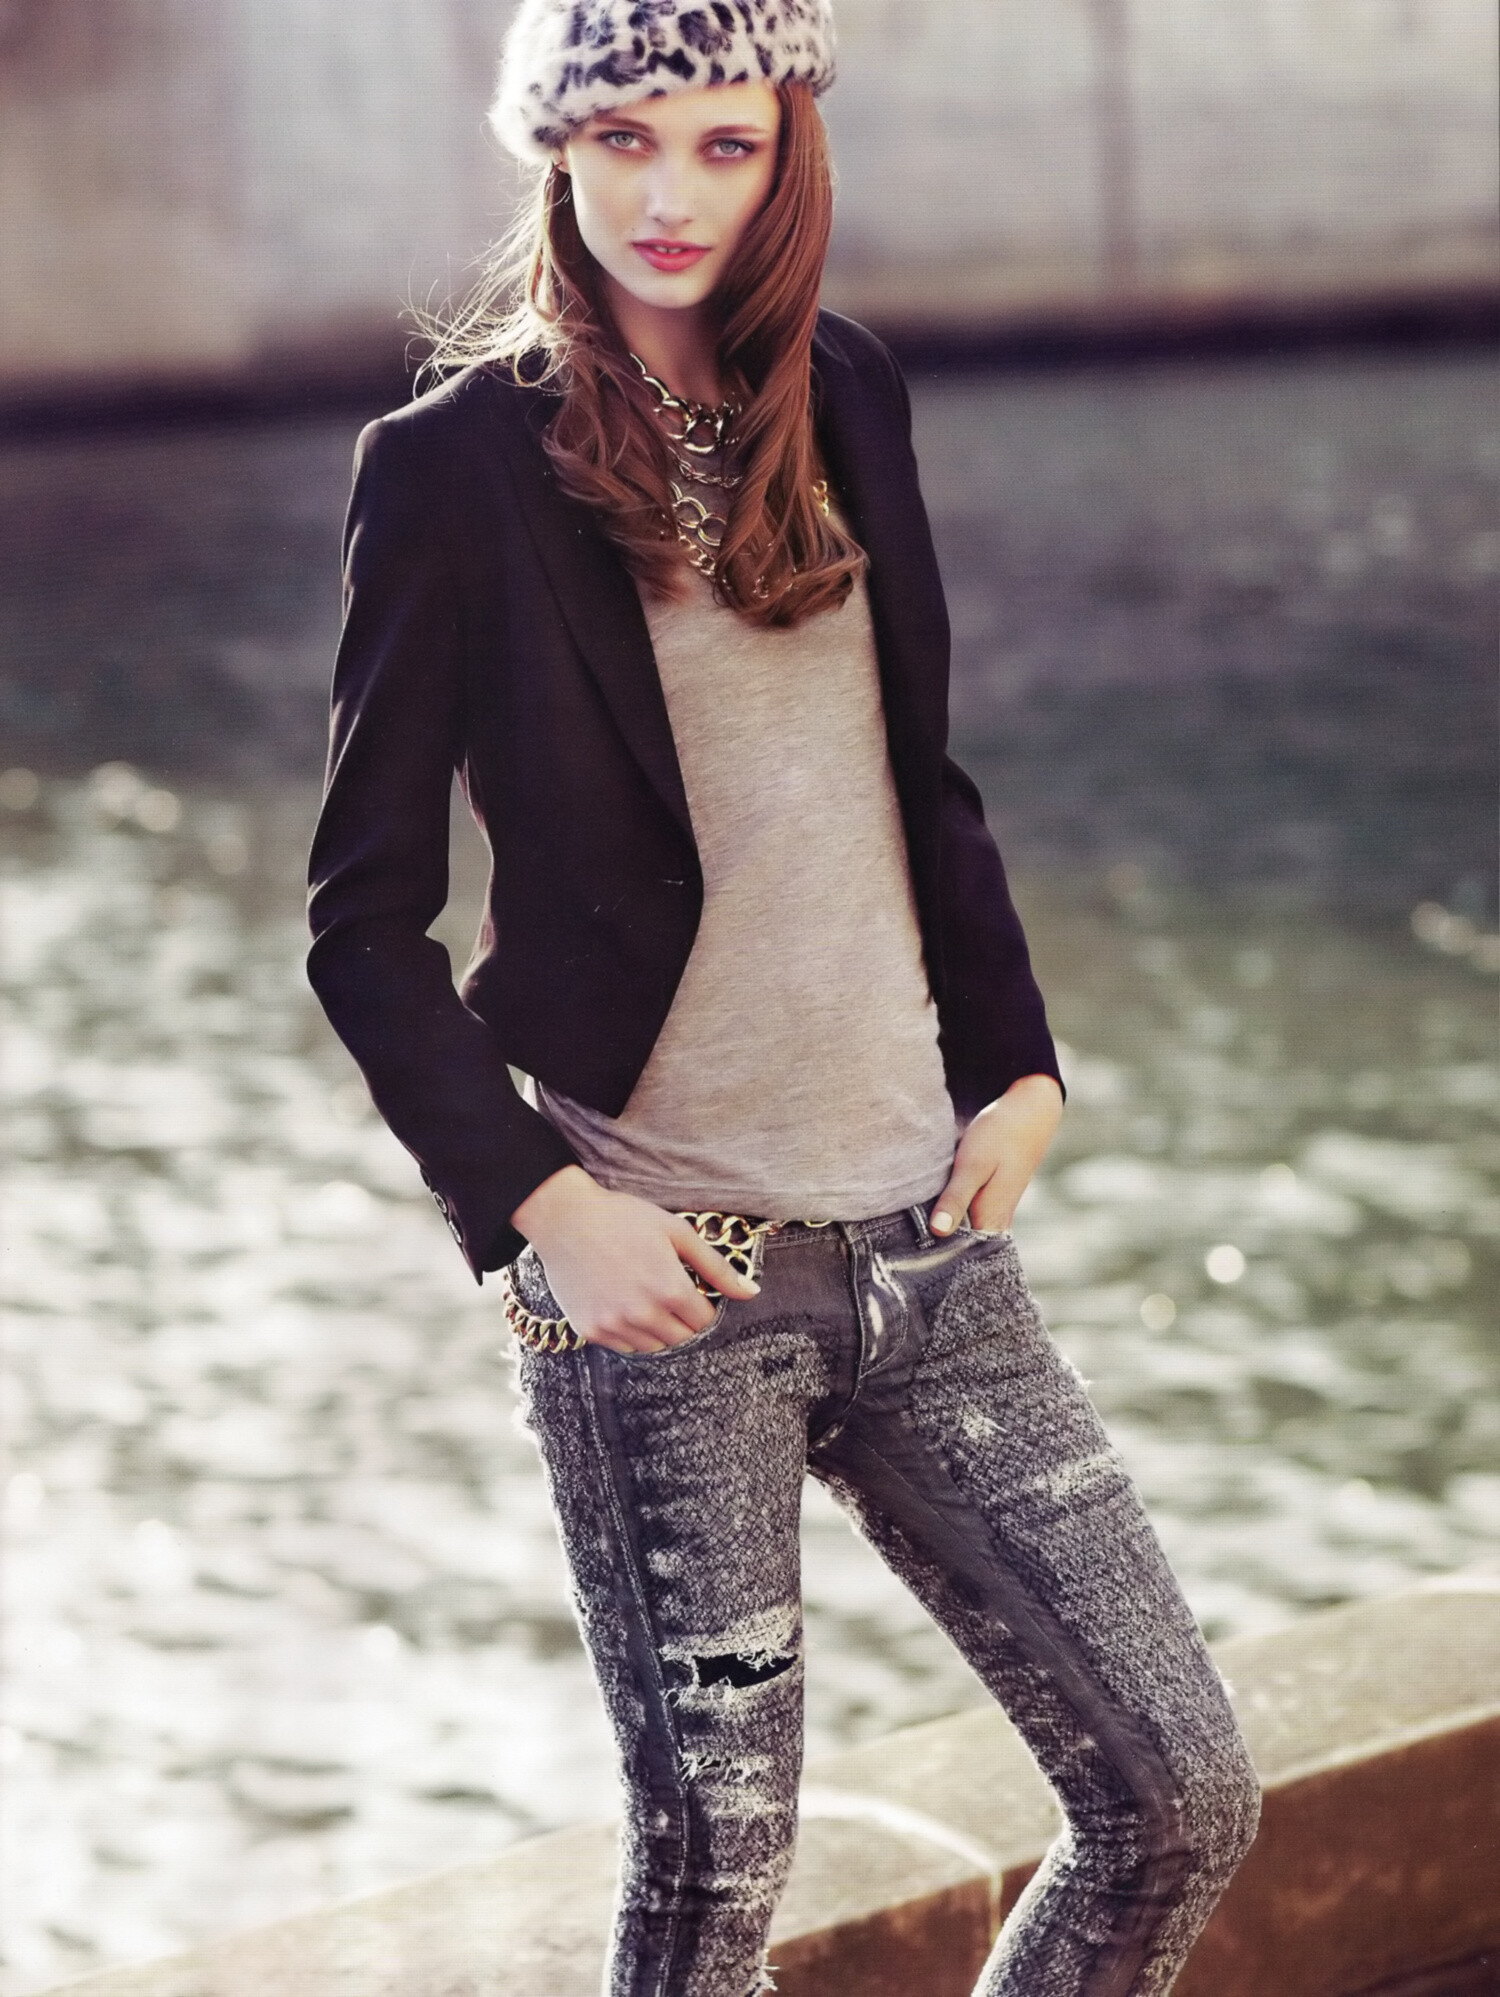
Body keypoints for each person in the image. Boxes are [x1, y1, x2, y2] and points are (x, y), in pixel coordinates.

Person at [306, 3, 1260, 1991]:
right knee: (713, 1881)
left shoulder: (849, 394)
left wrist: (1018, 1062)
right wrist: (543, 1209)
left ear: (787, 153)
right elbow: (364, 924)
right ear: (555, 149)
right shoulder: (452, 468)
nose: (671, 194)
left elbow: (914, 776)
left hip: (931, 1242)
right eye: (624, 138)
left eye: (723, 145)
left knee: (1178, 1798)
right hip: (670, 1275)